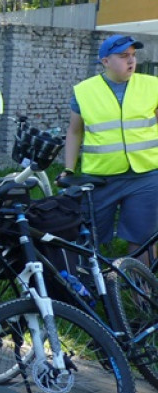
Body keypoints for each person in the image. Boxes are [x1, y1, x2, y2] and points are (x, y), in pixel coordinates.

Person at [61, 34, 158, 263]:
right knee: (90, 236)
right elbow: (75, 131)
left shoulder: (152, 86)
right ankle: (90, 291)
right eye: (123, 56)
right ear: (105, 61)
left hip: (145, 176)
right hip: (100, 178)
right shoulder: (84, 91)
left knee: (143, 237)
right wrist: (68, 169)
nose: (131, 61)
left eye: (133, 55)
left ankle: (140, 294)